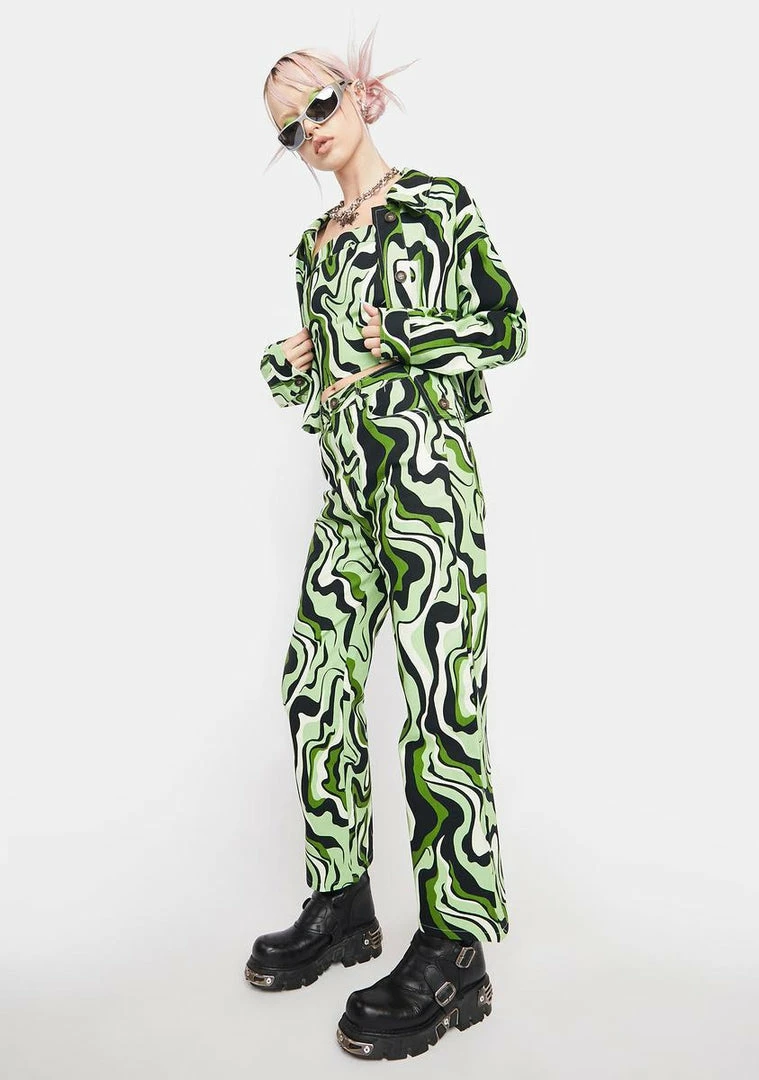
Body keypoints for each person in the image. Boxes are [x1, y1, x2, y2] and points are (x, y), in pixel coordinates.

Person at [245, 24, 528, 1061]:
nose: (310, 131)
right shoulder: (311, 248)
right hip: (346, 499)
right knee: (313, 681)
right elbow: (331, 386)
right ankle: (344, 903)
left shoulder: (435, 204)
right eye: (289, 130)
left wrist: (400, 335)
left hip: (427, 491)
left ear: (358, 96)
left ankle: (456, 947)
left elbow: (505, 325)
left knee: (438, 706)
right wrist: (291, 366)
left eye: (318, 105)